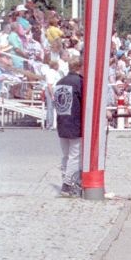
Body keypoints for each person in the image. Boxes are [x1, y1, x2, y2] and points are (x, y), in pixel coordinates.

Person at [54, 50, 84, 197]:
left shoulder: (60, 82)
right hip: (75, 123)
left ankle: (66, 181)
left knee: (65, 155)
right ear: (80, 67)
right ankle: (68, 184)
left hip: (62, 121)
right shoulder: (80, 82)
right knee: (75, 155)